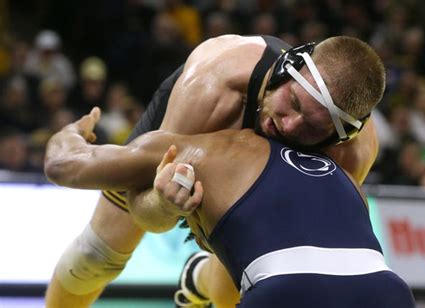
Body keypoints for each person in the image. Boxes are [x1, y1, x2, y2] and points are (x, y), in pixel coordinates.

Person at [44, 35, 384, 307]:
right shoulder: (218, 80)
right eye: (293, 103)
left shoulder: (350, 154)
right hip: (202, 126)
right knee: (95, 257)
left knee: (238, 289)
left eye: (310, 126)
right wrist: (164, 205)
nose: (288, 125)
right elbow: (143, 209)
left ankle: (200, 277)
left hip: (263, 179)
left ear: (338, 135)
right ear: (284, 71)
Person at [44, 107, 416, 308]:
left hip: (283, 290)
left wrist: (71, 131)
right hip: (390, 291)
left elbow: (63, 165)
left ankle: (198, 275)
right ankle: (199, 275)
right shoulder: (352, 153)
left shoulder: (201, 151)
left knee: (94, 257)